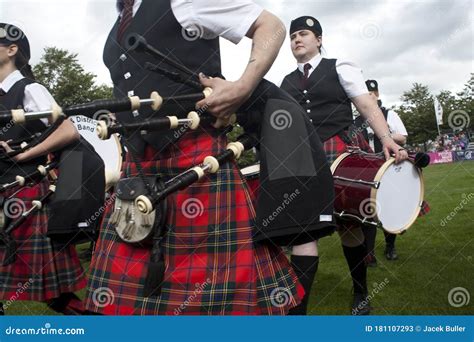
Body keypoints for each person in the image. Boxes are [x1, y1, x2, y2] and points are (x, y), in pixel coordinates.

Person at [84, 0, 303, 315]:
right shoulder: (120, 23)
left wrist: (242, 86)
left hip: (196, 159)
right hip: (138, 172)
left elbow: (271, 26)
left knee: (215, 299)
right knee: (124, 300)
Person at [281, 16, 408, 315]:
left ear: (319, 40)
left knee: (350, 226)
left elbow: (366, 104)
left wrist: (386, 138)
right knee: (304, 230)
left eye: (303, 34)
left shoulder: (340, 66)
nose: (297, 39)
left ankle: (360, 293)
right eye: (292, 36)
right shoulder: (284, 82)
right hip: (304, 158)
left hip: (339, 153)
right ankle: (297, 312)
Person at [0, 23, 86, 315]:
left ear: (12, 50)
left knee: (55, 294)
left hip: (22, 195)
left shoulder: (29, 89)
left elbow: (68, 131)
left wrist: (25, 154)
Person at [355, 79, 408, 263]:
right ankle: (368, 252)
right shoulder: (356, 121)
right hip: (366, 170)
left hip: (387, 168)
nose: (369, 96)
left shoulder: (389, 114)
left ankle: (390, 246)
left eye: (372, 93)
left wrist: (383, 134)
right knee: (366, 211)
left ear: (376, 94)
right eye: (366, 94)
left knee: (389, 208)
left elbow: (403, 137)